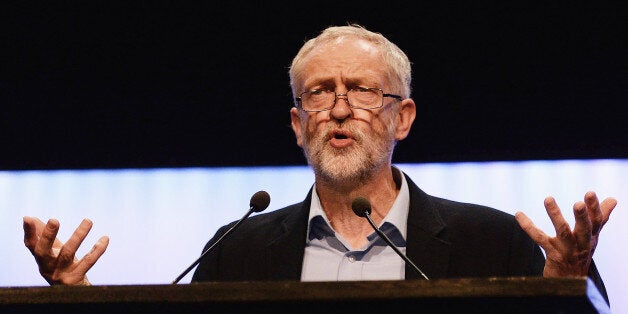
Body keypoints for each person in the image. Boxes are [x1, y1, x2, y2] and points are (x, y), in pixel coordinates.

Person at [23, 24, 616, 304]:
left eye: (361, 91)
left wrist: (564, 283)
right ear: (297, 125)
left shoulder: (489, 241)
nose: (338, 109)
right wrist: (76, 302)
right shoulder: (236, 250)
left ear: (403, 117)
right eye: (317, 93)